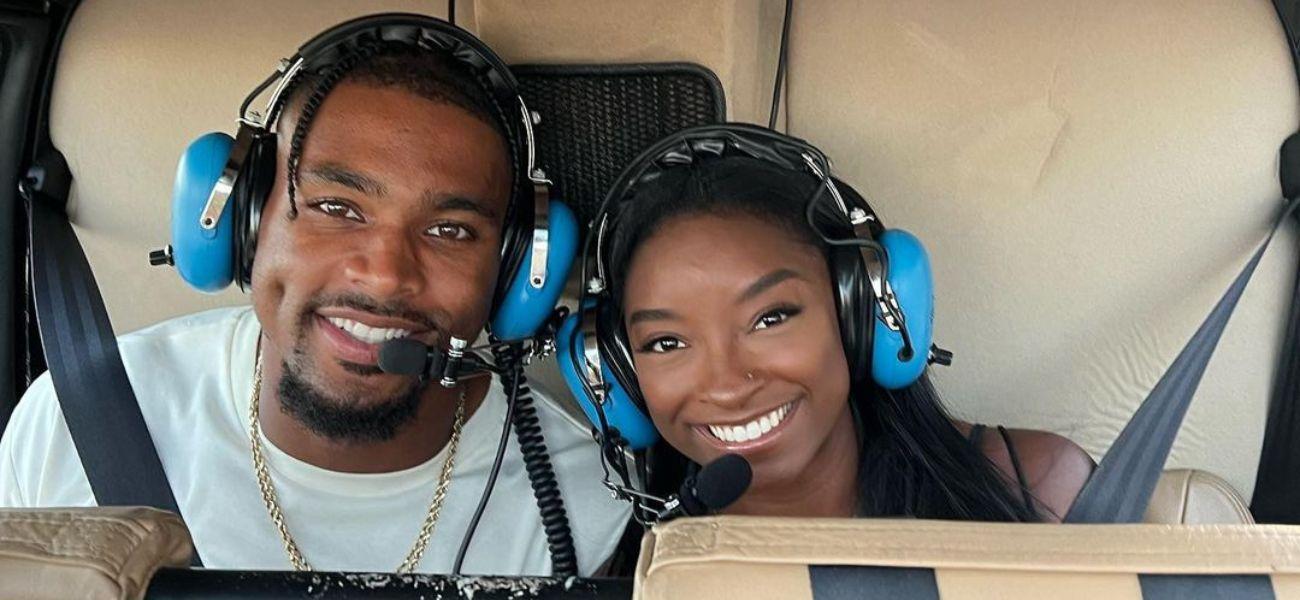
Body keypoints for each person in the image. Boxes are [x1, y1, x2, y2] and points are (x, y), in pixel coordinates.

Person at [0, 16, 629, 574]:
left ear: (516, 270)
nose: (385, 275)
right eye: (337, 207)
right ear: (245, 223)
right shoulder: (73, 423)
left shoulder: (582, 497)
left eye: (449, 230)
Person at [592, 126, 1093, 522]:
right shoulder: (641, 570)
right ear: (619, 375)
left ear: (865, 318)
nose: (725, 385)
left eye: (770, 318)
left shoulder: (1041, 488)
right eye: (666, 342)